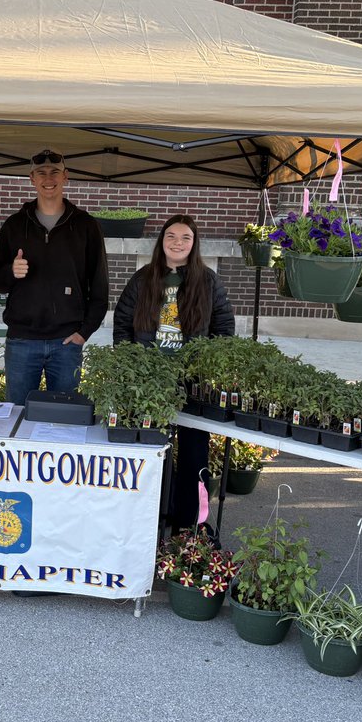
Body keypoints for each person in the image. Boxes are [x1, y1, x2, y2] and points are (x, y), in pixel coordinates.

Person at [113, 214, 236, 534]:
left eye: (185, 238)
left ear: (194, 244)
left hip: (192, 381)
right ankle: (154, 513)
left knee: (195, 449)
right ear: (161, 241)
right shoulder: (143, 279)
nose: (177, 243)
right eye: (171, 236)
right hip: (151, 379)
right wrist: (132, 366)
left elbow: (223, 329)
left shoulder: (208, 281)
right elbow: (122, 326)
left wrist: (210, 368)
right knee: (154, 447)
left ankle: (188, 521)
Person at [0, 149, 109, 406]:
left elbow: (99, 287)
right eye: (41, 173)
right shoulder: (14, 225)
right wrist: (11, 271)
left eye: (54, 172)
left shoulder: (86, 226)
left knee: (64, 421)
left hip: (66, 343)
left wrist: (83, 333)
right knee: (17, 417)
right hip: (21, 341)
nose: (48, 178)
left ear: (66, 177)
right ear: (32, 178)